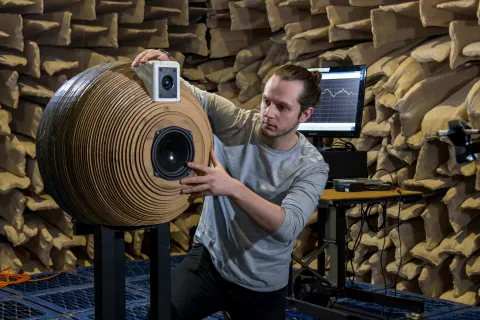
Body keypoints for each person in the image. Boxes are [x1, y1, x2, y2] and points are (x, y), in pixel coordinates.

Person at [131, 49, 329, 320]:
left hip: (262, 281)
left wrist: (232, 187)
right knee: (163, 313)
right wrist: (167, 66)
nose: (269, 113)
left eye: (282, 107)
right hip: (211, 260)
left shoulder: (312, 166)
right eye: (266, 101)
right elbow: (190, 95)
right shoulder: (237, 122)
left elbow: (287, 227)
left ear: (304, 115)